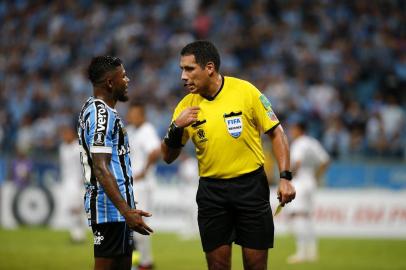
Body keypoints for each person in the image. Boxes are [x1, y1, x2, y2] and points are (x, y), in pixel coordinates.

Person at [161, 40, 296, 270]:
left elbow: (277, 133)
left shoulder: (246, 92)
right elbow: (168, 156)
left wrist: (285, 177)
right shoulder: (185, 107)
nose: (183, 76)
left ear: (210, 67)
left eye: (189, 69)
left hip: (250, 188)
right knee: (218, 266)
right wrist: (176, 127)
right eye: (182, 69)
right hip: (211, 192)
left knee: (255, 266)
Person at [77, 56, 153, 270]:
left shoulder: (105, 111)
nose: (127, 80)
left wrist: (127, 209)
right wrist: (126, 211)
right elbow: (101, 167)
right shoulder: (101, 113)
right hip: (108, 209)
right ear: (110, 82)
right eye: (123, 76)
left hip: (119, 209)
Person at [286, 120, 330, 264]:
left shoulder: (298, 143)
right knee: (307, 216)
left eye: (293, 129)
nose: (291, 132)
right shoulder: (313, 142)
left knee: (297, 215)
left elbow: (297, 162)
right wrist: (317, 178)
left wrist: (287, 178)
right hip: (311, 180)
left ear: (299, 129)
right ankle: (312, 252)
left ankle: (301, 253)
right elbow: (325, 161)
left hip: (299, 182)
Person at [126, 101, 161, 270]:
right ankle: (137, 261)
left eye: (135, 114)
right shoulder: (131, 131)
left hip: (142, 185)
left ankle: (146, 263)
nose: (132, 117)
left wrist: (143, 172)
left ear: (143, 116)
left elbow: (155, 151)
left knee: (139, 225)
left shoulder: (147, 130)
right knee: (129, 227)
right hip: (132, 185)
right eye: (131, 114)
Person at [59, 125, 87, 243]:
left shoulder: (78, 148)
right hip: (67, 182)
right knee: (71, 209)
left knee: (77, 209)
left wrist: (84, 178)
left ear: (73, 135)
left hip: (77, 183)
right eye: (63, 134)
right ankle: (76, 234)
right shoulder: (63, 148)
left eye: (67, 134)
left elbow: (85, 163)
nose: (65, 136)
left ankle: (78, 235)